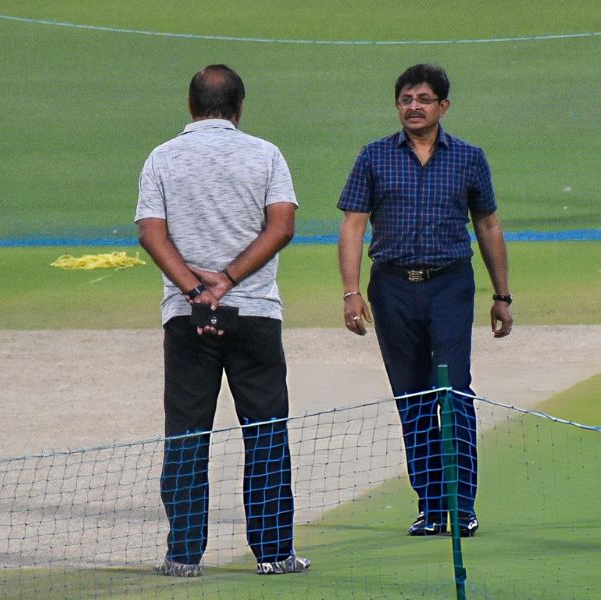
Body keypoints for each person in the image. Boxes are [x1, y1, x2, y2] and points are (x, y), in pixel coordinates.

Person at [135, 64, 309, 577]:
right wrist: (228, 280)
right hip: (255, 315)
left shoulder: (162, 158)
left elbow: (151, 233)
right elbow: (282, 227)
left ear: (191, 106)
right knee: (267, 433)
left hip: (187, 319)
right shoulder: (266, 154)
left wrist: (196, 291)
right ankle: (275, 553)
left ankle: (184, 556)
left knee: (187, 435)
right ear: (239, 108)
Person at [337, 64, 513, 538]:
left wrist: (502, 295)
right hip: (391, 288)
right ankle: (431, 507)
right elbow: (354, 225)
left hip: (450, 287)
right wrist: (352, 292)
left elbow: (488, 226)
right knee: (412, 399)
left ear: (443, 107)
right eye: (405, 99)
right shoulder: (373, 157)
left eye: (423, 99)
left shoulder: (469, 158)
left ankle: (463, 505)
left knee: (454, 394)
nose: (413, 107)